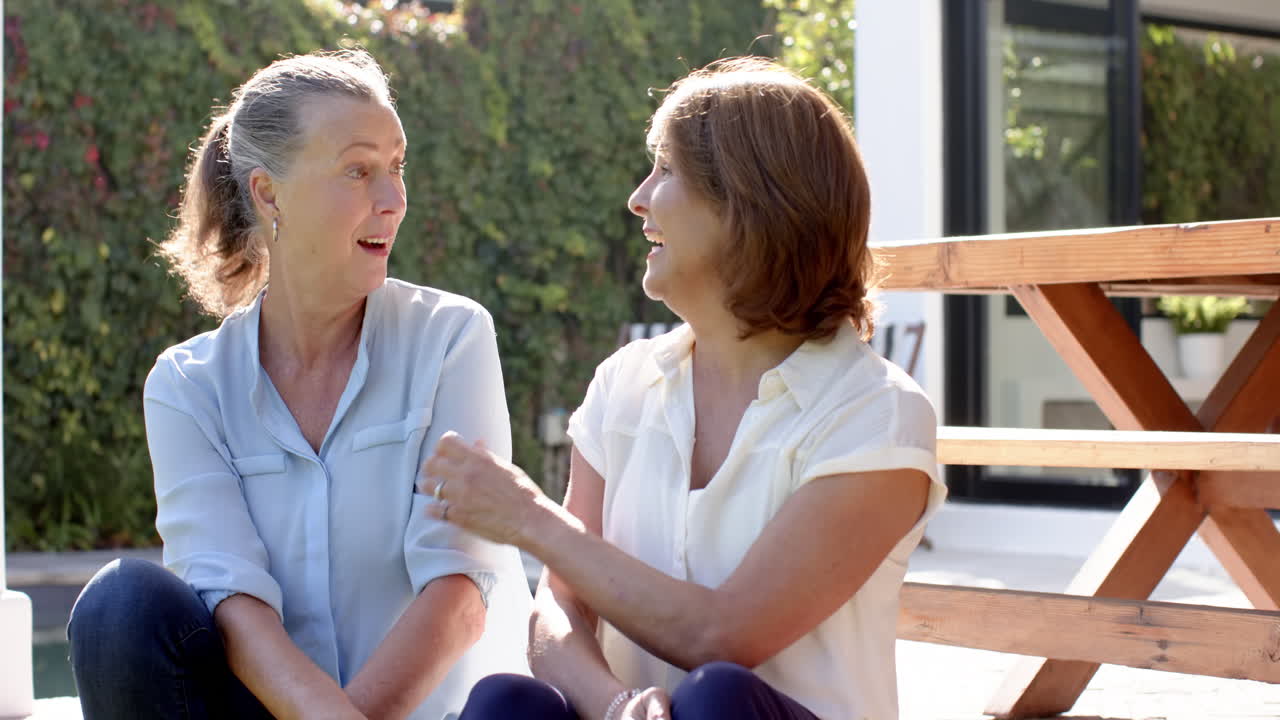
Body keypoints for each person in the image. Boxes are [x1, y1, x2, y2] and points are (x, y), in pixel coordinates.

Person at [425, 57, 947, 720]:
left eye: (666, 170)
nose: (638, 198)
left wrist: (529, 517)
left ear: (750, 202)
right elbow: (559, 603)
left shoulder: (875, 413)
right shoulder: (624, 383)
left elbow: (724, 637)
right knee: (505, 703)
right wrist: (617, 705)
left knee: (716, 696)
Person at [66, 49, 531, 720]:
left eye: (397, 167)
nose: (394, 200)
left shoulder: (451, 338)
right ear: (267, 192)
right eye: (359, 171)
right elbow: (232, 603)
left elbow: (460, 589)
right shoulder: (187, 386)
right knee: (120, 604)